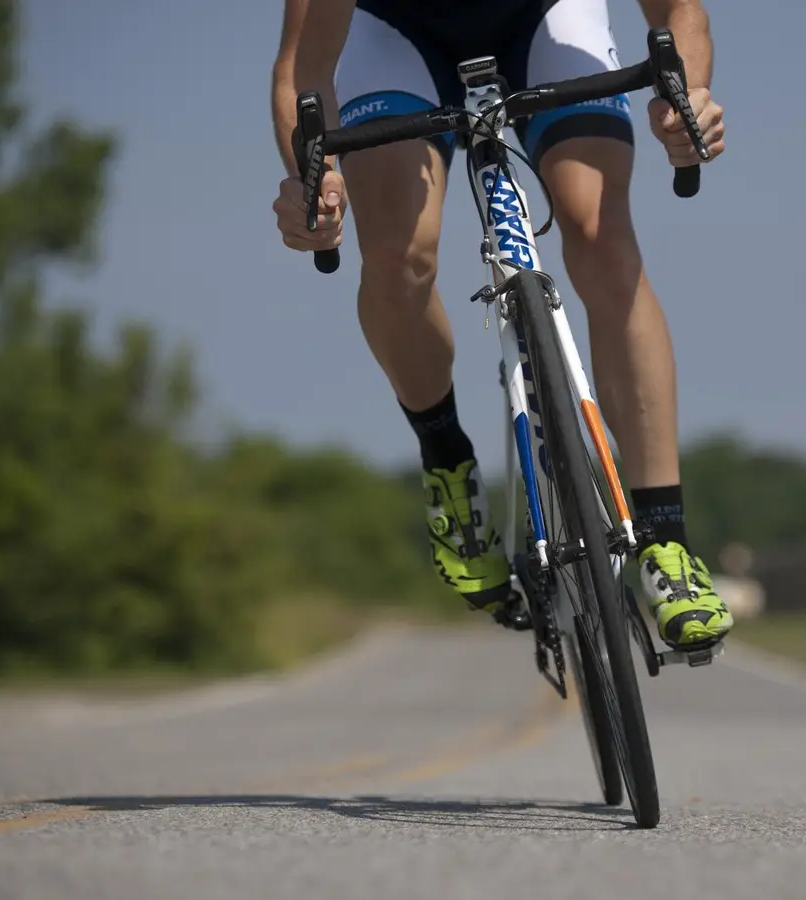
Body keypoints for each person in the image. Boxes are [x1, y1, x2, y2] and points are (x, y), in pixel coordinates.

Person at [269, 0, 732, 650]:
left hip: (547, 16)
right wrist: (309, 181)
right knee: (399, 255)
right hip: (396, 31)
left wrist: (686, 98)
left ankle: (666, 541)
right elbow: (302, 68)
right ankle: (448, 466)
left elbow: (679, 11)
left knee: (600, 234)